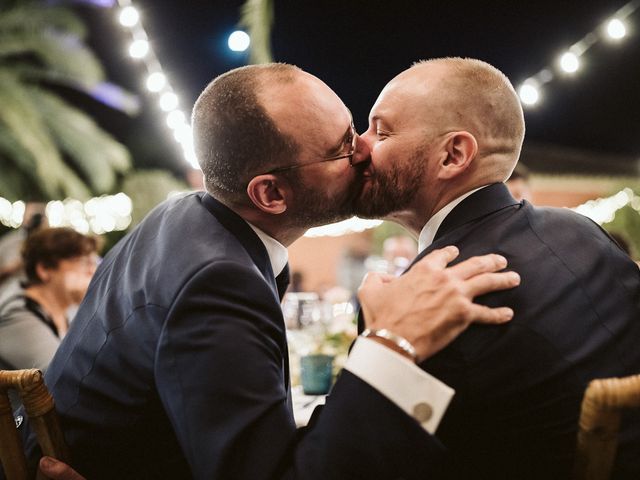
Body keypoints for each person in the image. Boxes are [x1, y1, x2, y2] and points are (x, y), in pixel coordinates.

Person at [24, 63, 520, 480]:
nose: (365, 150)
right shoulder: (216, 279)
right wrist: (390, 344)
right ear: (271, 195)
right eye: (344, 146)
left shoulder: (184, 219)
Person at [355, 57, 640, 479]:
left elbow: (362, 458)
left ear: (453, 154)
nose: (360, 145)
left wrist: (379, 340)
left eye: (382, 130)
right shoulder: (580, 229)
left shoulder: (431, 299)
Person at [0, 227, 98, 374]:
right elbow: (67, 377)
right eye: (83, 261)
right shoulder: (17, 313)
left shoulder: (70, 312)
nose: (92, 271)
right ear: (44, 269)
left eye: (93, 263)